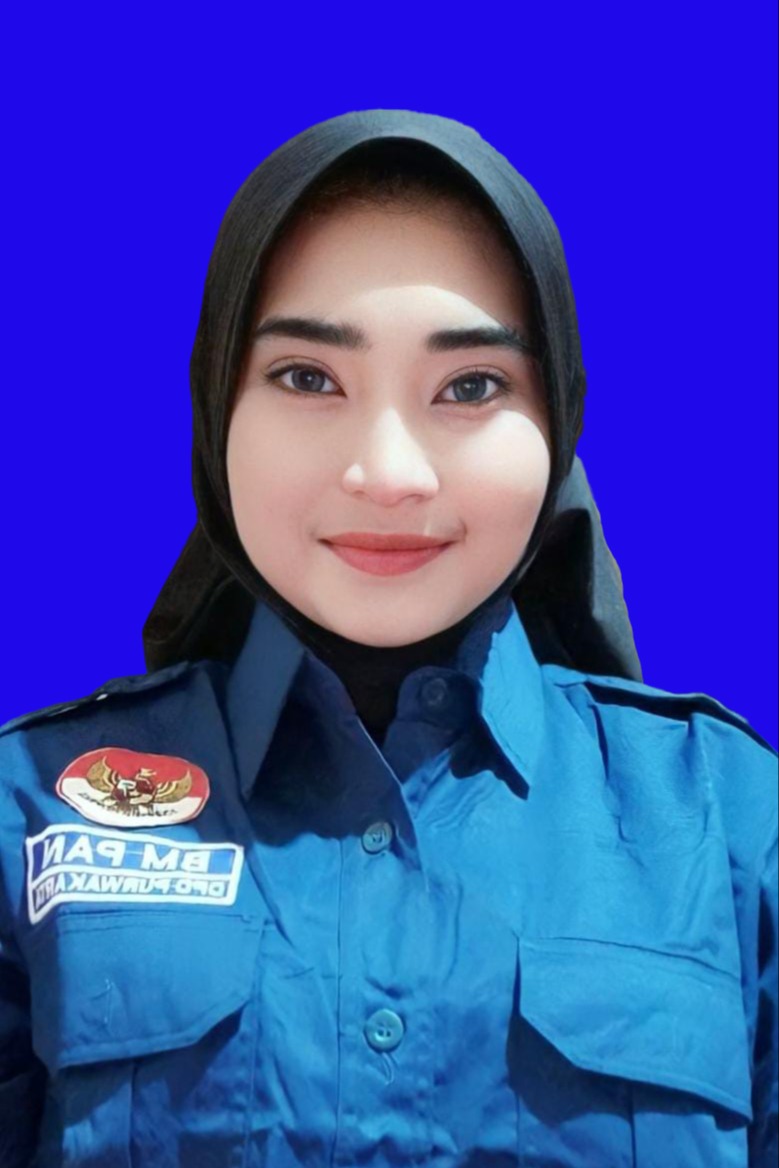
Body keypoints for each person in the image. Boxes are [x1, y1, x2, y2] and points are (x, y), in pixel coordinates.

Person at [0, 109, 775, 1168]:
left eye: (470, 386)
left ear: (557, 423)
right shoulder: (30, 807)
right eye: (307, 377)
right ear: (215, 406)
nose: (389, 473)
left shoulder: (734, 822)